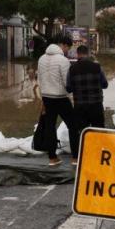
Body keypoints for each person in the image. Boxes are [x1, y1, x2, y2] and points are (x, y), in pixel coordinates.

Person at [37, 35, 78, 166]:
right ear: (63, 45)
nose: (67, 50)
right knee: (73, 125)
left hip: (47, 97)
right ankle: (75, 158)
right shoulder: (63, 60)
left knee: (50, 126)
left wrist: (42, 99)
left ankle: (52, 158)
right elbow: (67, 81)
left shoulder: (41, 59)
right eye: (68, 47)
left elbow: (40, 80)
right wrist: (71, 97)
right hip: (60, 98)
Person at [66, 45, 108, 143]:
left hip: (80, 106)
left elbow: (68, 88)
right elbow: (105, 85)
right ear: (88, 53)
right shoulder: (97, 67)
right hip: (96, 105)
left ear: (77, 54)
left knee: (81, 132)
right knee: (99, 130)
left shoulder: (72, 69)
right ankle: (98, 153)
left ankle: (83, 153)